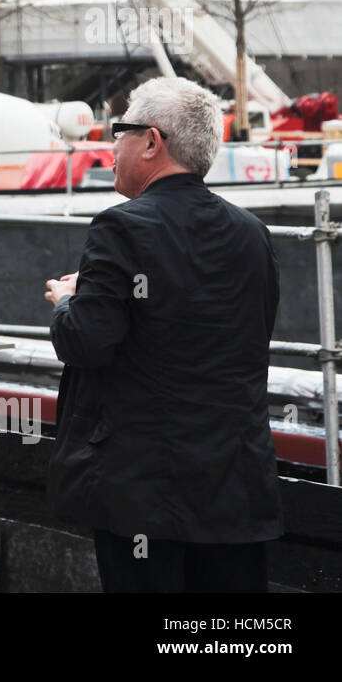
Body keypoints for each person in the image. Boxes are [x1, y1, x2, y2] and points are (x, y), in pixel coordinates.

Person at [43, 76, 282, 593]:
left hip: (145, 496)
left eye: (119, 131)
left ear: (151, 142)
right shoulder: (251, 233)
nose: (111, 146)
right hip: (235, 489)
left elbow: (87, 342)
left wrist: (69, 302)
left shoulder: (121, 226)